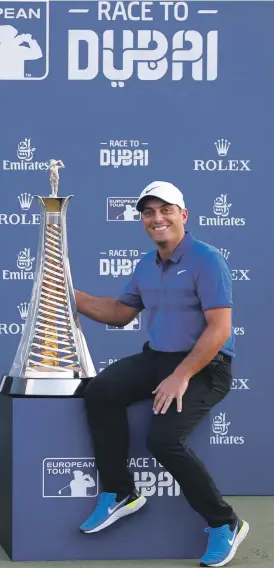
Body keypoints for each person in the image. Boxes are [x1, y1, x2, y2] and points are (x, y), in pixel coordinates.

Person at [74, 181, 249, 567]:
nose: (157, 219)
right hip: (158, 357)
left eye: (166, 210)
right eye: (149, 212)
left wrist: (182, 375)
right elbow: (121, 314)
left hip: (207, 366)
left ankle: (225, 522)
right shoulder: (145, 264)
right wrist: (69, 294)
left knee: (164, 439)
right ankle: (121, 493)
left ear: (183, 215)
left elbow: (219, 330)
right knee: (101, 391)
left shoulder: (207, 259)